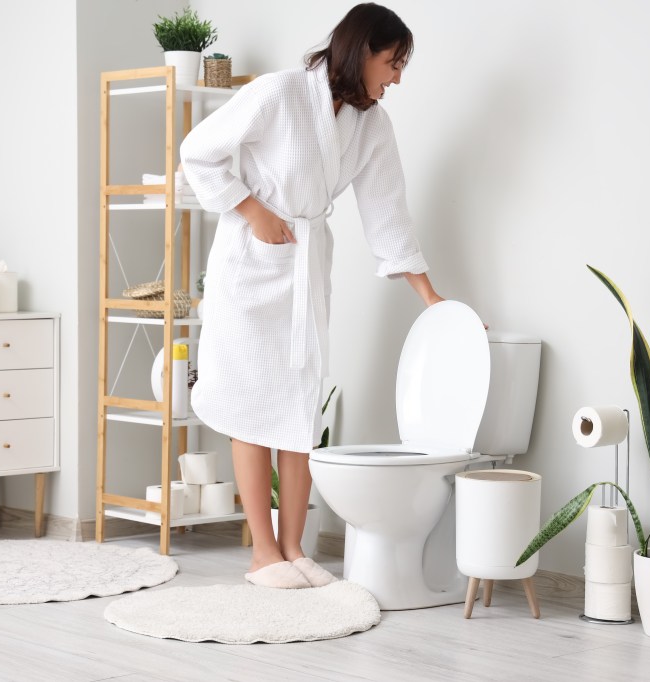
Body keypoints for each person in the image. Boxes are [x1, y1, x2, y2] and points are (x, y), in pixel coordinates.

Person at [180, 3, 443, 589]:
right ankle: (261, 555)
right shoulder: (277, 94)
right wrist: (252, 210)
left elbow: (387, 212)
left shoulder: (371, 126)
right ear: (361, 51)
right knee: (251, 409)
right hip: (250, 267)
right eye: (392, 62)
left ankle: (295, 550)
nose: (396, 77)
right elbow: (198, 150)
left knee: (298, 409)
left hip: (305, 268)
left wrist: (431, 298)